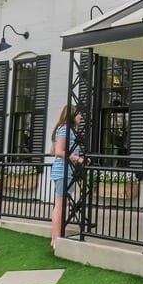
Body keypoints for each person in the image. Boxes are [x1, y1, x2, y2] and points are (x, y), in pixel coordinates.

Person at [50, 105, 84, 249]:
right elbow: (58, 151)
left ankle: (55, 238)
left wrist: (78, 157)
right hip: (63, 170)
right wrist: (76, 158)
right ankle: (57, 239)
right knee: (60, 205)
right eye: (78, 114)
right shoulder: (65, 129)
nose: (81, 117)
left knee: (62, 204)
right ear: (71, 115)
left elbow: (53, 150)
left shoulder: (63, 129)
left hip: (63, 170)